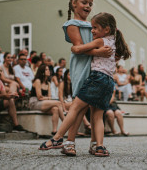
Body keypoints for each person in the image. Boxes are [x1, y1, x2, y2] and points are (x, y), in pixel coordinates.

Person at [39, 12, 130, 157]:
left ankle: (57, 138)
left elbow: (79, 49)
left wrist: (78, 49)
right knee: (97, 116)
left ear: (106, 29)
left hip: (97, 79)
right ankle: (99, 146)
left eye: (95, 27)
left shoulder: (101, 41)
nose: (92, 30)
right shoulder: (114, 42)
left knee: (74, 108)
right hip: (109, 82)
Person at [38, 0, 111, 156]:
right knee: (80, 105)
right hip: (81, 65)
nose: (88, 6)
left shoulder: (93, 24)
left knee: (94, 106)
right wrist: (99, 52)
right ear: (74, 4)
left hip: (96, 66)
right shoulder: (72, 24)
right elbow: (79, 49)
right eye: (84, 2)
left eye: (90, 4)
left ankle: (94, 144)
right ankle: (69, 142)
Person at [30, 64, 65, 135]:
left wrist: (47, 98)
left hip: (43, 102)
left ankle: (54, 131)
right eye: (46, 69)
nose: (49, 71)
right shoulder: (37, 81)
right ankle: (66, 123)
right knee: (58, 103)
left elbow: (49, 97)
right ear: (42, 71)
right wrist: (48, 98)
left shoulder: (48, 83)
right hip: (34, 102)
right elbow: (39, 97)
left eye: (49, 69)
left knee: (55, 109)